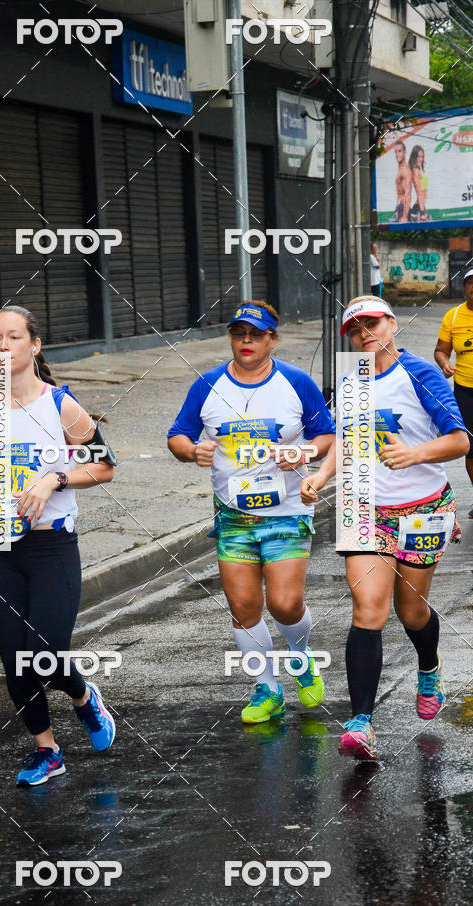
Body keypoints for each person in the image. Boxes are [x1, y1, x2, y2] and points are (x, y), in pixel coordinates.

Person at [0, 304, 117, 786]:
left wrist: (54, 480)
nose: (2, 347)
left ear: (34, 346)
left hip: (51, 549)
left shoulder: (58, 405)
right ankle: (48, 751)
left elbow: (103, 467)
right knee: (13, 656)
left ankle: (83, 697)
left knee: (44, 652)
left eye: (13, 337)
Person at [301, 296, 468, 761]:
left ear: (392, 324)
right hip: (366, 506)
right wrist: (320, 475)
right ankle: (361, 723)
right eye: (355, 329)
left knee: (411, 611)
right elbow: (346, 439)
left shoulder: (420, 373)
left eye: (372, 323)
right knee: (368, 608)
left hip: (422, 508)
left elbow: (459, 439)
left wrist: (415, 453)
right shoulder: (351, 376)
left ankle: (428, 664)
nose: (364, 333)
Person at [167, 301, 335, 725]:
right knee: (243, 607)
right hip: (233, 514)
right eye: (239, 332)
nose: (246, 340)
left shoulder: (296, 382)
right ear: (231, 337)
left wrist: (304, 450)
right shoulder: (207, 384)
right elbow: (177, 436)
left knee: (284, 603)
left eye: (256, 334)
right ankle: (268, 689)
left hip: (286, 511)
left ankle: (300, 656)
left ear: (272, 339)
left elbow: (328, 435)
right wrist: (192, 450)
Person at [435, 266, 473, 516]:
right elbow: (441, 350)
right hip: (465, 390)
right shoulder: (454, 315)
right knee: (471, 446)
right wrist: (444, 363)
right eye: (469, 283)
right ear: (465, 288)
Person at [390, 141, 411, 224]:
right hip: (399, 208)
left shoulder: (405, 170)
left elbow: (408, 194)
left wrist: (404, 216)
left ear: (404, 153)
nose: (397, 154)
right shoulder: (400, 168)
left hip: (402, 210)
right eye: (395, 151)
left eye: (399, 151)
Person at [408, 145, 430, 222]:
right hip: (419, 209)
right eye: (418, 156)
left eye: (422, 156)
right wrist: (422, 212)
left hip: (421, 206)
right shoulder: (415, 171)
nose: (420, 159)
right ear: (414, 157)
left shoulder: (418, 170)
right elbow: (419, 193)